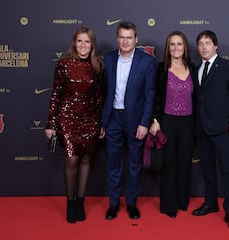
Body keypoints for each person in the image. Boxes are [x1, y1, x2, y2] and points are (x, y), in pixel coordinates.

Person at [45, 26, 104, 223]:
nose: (83, 45)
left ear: (92, 44)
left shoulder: (97, 66)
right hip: (67, 118)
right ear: (74, 43)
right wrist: (50, 123)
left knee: (86, 160)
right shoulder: (63, 64)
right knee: (72, 161)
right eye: (80, 41)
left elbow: (98, 97)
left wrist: (100, 122)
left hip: (90, 119)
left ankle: (80, 202)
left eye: (87, 41)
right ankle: (70, 203)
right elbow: (55, 95)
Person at [192, 30, 229, 231]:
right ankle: (210, 203)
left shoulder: (228, 67)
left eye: (208, 43)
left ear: (216, 46)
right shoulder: (196, 69)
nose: (204, 47)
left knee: (226, 171)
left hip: (222, 130)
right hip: (201, 130)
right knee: (207, 170)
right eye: (200, 44)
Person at [101, 21, 156, 220]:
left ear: (136, 39)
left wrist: (144, 123)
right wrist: (102, 121)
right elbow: (100, 93)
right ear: (117, 38)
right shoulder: (106, 59)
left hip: (135, 120)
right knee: (113, 163)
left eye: (129, 37)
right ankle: (114, 204)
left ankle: (131, 203)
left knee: (134, 164)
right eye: (122, 37)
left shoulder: (147, 61)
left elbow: (150, 95)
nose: (125, 41)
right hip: (113, 118)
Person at [149, 31, 195, 218]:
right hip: (166, 120)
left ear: (185, 47)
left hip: (188, 122)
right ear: (168, 48)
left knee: (184, 163)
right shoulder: (161, 68)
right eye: (172, 44)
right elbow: (154, 96)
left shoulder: (192, 67)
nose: (176, 48)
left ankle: (182, 201)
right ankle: (169, 205)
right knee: (168, 164)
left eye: (180, 44)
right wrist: (154, 120)